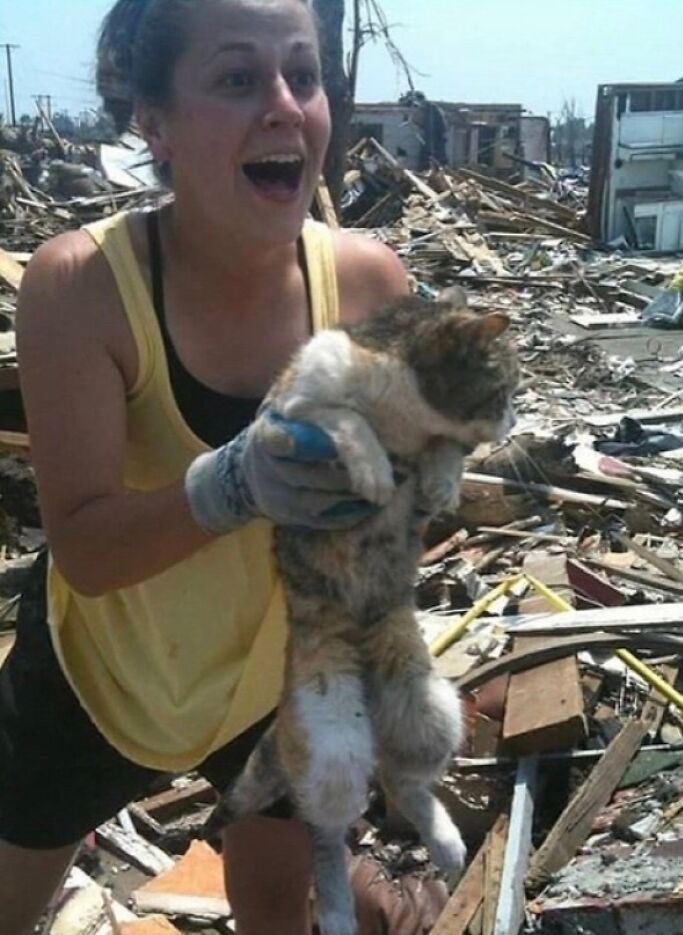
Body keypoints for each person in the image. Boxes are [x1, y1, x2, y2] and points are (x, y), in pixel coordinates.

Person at [0, 1, 409, 933]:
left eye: (302, 76)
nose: (284, 107)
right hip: (105, 669)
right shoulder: (81, 289)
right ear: (154, 119)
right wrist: (239, 480)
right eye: (237, 79)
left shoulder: (371, 286)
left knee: (275, 904)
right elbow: (89, 551)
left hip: (273, 671)